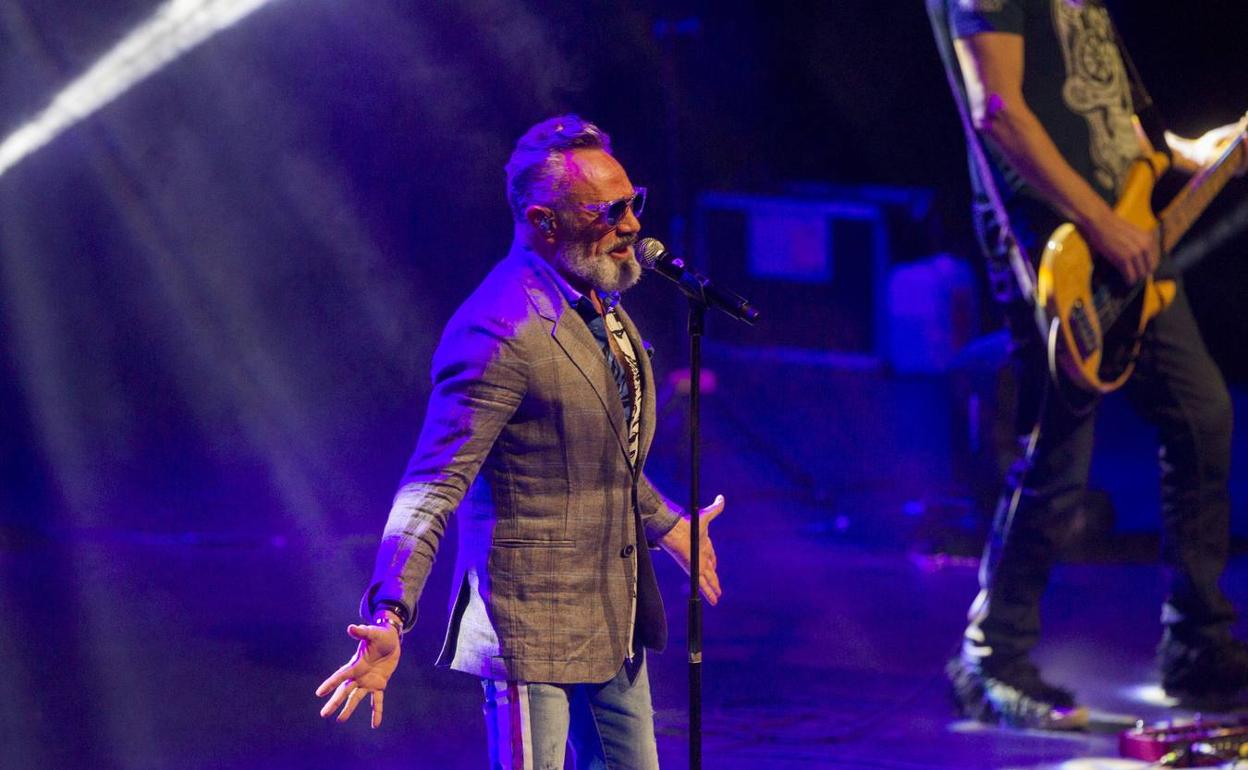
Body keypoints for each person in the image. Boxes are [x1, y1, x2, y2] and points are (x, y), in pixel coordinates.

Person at [314, 115, 724, 768]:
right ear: (543, 221)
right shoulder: (498, 329)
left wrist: (667, 522)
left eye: (632, 203)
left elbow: (596, 451)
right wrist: (389, 610)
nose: (631, 225)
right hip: (530, 627)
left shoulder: (599, 297)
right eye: (608, 211)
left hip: (612, 618)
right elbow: (433, 485)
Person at [928, 0, 1248, 729]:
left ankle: (1198, 644)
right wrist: (1100, 223)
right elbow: (999, 112)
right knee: (1058, 454)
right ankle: (991, 656)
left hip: (1126, 229)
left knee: (1201, 416)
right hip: (1056, 240)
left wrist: (1192, 153)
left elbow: (1104, 110)